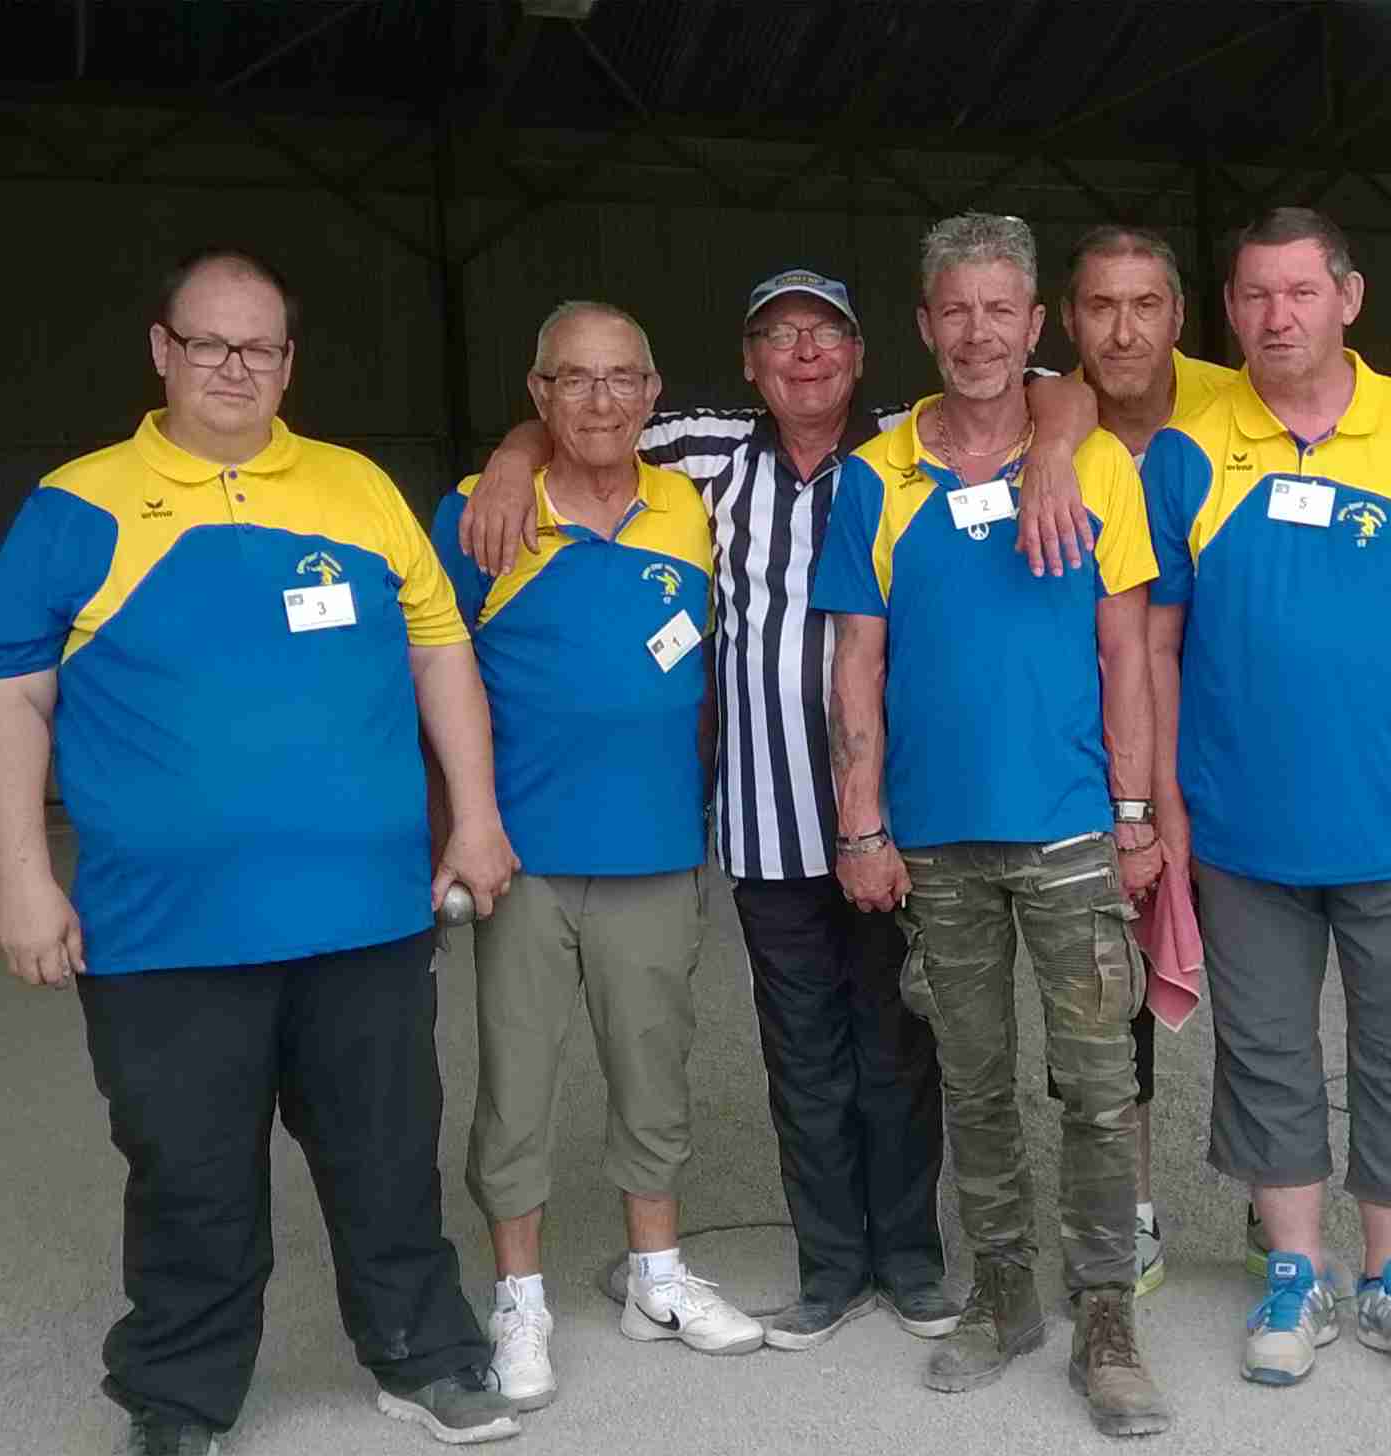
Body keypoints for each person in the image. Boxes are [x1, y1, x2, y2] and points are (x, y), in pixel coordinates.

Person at [449, 271, 1100, 1352]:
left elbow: (1052, 390)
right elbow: (580, 413)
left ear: (861, 355)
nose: (805, 355)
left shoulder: (904, 442)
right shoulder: (701, 452)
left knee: (900, 1047)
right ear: (748, 364)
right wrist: (514, 459)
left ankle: (911, 1261)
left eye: (826, 335)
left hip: (893, 816)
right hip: (764, 819)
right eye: (779, 337)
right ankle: (831, 1266)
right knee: (802, 1057)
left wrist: (1063, 449)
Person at [0, 248, 521, 1453]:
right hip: (164, 930)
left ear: (288, 362)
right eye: (209, 343)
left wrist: (475, 816)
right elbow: (10, 695)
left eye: (258, 346)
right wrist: (22, 878)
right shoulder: (77, 505)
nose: (234, 366)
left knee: (388, 1157)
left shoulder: (357, 490)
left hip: (365, 916)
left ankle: (424, 1351)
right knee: (190, 1175)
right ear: (162, 350)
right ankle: (177, 1398)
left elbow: (439, 651)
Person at [1139, 208, 1391, 1393]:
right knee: (1265, 1051)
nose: (1277, 316)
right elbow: (1157, 641)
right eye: (1255, 294)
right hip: (1241, 822)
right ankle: (1296, 1271)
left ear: (1348, 298)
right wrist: (1163, 799)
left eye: (1301, 291)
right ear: (1229, 310)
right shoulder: (1189, 448)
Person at [815, 212, 1171, 1438]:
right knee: (972, 1082)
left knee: (1099, 1084)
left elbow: (1127, 655)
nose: (978, 333)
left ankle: (1106, 1311)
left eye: (1000, 310)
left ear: (1035, 326)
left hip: (1071, 826)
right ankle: (1005, 1291)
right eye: (955, 310)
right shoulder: (875, 477)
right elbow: (856, 665)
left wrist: (1135, 814)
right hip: (937, 838)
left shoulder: (1094, 465)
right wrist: (861, 824)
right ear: (926, 325)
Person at [430, 301, 765, 1410]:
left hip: (657, 847)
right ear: (539, 395)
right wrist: (456, 829)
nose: (601, 399)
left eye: (623, 377)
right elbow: (430, 677)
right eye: (573, 379)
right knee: (517, 1081)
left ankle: (655, 1276)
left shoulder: (692, 509)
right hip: (519, 855)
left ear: (654, 393)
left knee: (654, 1068)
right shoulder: (483, 514)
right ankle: (519, 1296)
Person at [1042, 225, 1240, 1298]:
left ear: (1179, 314)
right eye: (1100, 307)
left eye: (1146, 305)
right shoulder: (1044, 416)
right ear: (1068, 320)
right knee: (1110, 991)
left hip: (1244, 745)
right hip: (1109, 750)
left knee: (1260, 983)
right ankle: (1136, 1209)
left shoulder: (1238, 405)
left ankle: (1274, 1194)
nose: (1123, 331)